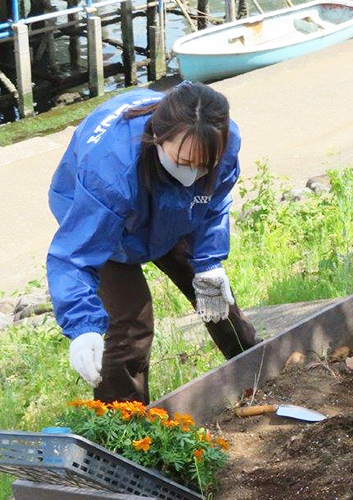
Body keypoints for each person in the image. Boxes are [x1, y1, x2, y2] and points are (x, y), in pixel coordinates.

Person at [47, 81, 259, 405]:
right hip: (110, 222)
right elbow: (74, 258)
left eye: (204, 165)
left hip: (176, 210)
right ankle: (127, 427)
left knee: (216, 295)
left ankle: (259, 373)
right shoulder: (110, 173)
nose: (194, 172)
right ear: (157, 138)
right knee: (132, 320)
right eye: (185, 163)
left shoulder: (221, 141)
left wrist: (209, 262)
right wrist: (82, 326)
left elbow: (214, 202)